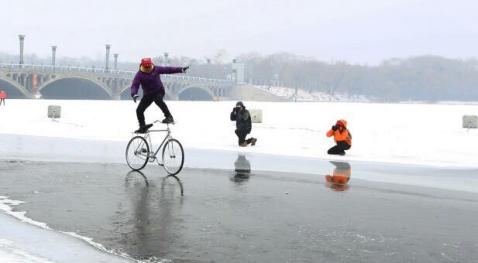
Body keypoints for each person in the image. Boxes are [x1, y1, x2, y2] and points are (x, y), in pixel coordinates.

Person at [130, 58, 189, 133]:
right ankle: (142, 127)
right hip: (148, 94)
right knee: (139, 110)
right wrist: (134, 94)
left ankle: (169, 117)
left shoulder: (156, 69)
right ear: (143, 66)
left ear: (151, 65)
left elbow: (168, 70)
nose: (148, 69)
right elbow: (135, 85)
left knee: (158, 100)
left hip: (159, 91)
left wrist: (180, 70)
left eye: (149, 67)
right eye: (146, 68)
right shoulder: (139, 75)